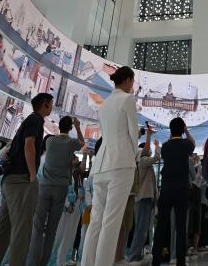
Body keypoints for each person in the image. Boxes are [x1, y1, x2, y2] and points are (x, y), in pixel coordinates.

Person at [0, 92, 55, 266]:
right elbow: (29, 144)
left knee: (3, 229)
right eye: (51, 104)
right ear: (45, 104)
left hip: (9, 180)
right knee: (22, 231)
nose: (52, 108)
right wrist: (32, 174)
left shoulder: (29, 120)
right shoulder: (36, 120)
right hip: (21, 180)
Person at [81, 67, 140, 266]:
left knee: (96, 220)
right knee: (111, 222)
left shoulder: (104, 104)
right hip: (121, 163)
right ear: (128, 81)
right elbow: (133, 132)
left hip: (101, 165)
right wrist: (134, 155)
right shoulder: (127, 99)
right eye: (132, 81)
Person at [29, 116, 85, 266]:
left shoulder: (49, 141)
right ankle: (44, 262)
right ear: (70, 128)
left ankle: (32, 262)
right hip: (60, 188)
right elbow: (82, 143)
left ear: (59, 126)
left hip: (45, 187)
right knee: (52, 229)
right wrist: (78, 127)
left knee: (38, 226)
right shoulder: (71, 143)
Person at [150, 117, 196, 266]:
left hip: (166, 189)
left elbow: (170, 143)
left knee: (161, 225)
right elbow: (193, 144)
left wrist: (176, 132)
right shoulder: (186, 145)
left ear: (170, 131)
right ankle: (180, 261)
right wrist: (186, 131)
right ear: (182, 129)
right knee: (180, 226)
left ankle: (156, 259)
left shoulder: (165, 147)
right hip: (181, 189)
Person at [126, 137, 160, 262]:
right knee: (141, 228)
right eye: (147, 149)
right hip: (142, 199)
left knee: (143, 228)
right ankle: (133, 255)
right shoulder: (142, 161)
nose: (149, 150)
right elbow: (156, 158)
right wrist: (157, 145)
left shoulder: (143, 163)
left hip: (146, 198)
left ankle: (137, 253)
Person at [51, 157, 85, 266]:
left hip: (70, 207)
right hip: (62, 209)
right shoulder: (63, 173)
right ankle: (52, 261)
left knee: (66, 236)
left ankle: (59, 261)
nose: (76, 163)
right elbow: (61, 192)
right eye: (74, 159)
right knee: (57, 237)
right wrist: (67, 205)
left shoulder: (72, 175)